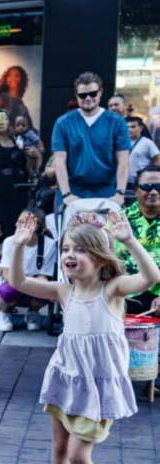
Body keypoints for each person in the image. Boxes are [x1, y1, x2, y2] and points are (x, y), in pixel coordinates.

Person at [11, 211, 160, 464]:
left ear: (98, 256)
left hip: (98, 387)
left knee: (79, 455)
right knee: (59, 447)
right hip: (67, 380)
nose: (68, 255)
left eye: (78, 250)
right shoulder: (66, 291)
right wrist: (20, 246)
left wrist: (129, 240)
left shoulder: (113, 290)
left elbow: (151, 277)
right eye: (65, 249)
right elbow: (19, 283)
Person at [52, 72, 131, 209]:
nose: (88, 98)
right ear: (76, 95)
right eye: (82, 95)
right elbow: (59, 161)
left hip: (107, 192)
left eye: (93, 93)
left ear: (100, 92)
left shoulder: (116, 122)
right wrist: (66, 194)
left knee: (108, 231)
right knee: (71, 231)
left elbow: (123, 161)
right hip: (72, 191)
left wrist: (120, 193)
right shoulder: (63, 123)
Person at [0, 209, 56, 332]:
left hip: (33, 284)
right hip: (13, 282)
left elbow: (44, 277)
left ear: (36, 226)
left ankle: (33, 313)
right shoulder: (9, 241)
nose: (18, 225)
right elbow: (6, 274)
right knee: (7, 291)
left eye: (23, 222)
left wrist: (25, 283)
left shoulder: (49, 244)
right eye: (19, 221)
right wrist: (22, 282)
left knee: (46, 290)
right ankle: (4, 313)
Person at [118, 166, 160, 314]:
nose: (154, 192)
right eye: (147, 186)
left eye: (159, 187)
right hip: (125, 294)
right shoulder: (118, 220)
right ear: (136, 190)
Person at [0, 109, 30, 237]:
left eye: (4, 119)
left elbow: (27, 167)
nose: (1, 122)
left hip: (17, 195)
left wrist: (33, 156)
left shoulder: (17, 140)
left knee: (15, 229)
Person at [125, 116, 160, 195]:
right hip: (123, 181)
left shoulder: (147, 143)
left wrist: (153, 177)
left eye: (133, 127)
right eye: (127, 127)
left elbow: (157, 159)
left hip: (140, 182)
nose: (129, 129)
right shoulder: (122, 142)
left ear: (141, 128)